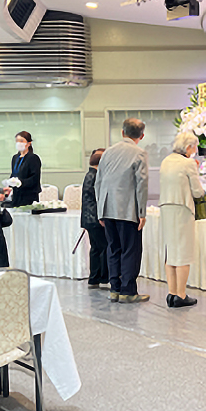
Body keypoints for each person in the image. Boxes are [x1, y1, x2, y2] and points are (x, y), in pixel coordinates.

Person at [94, 118, 150, 304]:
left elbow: (98, 181)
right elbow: (141, 185)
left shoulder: (108, 152)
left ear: (122, 132)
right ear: (141, 136)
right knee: (130, 250)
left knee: (113, 248)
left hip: (107, 208)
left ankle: (114, 289)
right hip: (127, 210)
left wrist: (100, 209)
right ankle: (128, 291)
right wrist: (142, 212)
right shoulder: (140, 153)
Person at [159, 132, 206, 308]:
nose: (195, 150)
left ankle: (171, 293)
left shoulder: (166, 161)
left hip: (166, 207)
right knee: (183, 253)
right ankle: (181, 294)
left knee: (170, 252)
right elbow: (197, 192)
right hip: (182, 208)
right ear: (188, 147)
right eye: (194, 147)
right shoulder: (188, 163)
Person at [81, 148, 108, 289]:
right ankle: (103, 277)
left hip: (88, 218)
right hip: (96, 219)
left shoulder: (88, 175)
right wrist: (101, 216)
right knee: (103, 248)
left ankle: (94, 278)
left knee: (95, 248)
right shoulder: (97, 176)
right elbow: (97, 199)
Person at [9, 130, 42, 207]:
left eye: (21, 141)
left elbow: (35, 178)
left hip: (29, 195)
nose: (18, 143)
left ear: (28, 143)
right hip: (16, 194)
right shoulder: (15, 158)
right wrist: (10, 182)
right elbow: (14, 173)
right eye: (17, 141)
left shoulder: (33, 158)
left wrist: (21, 182)